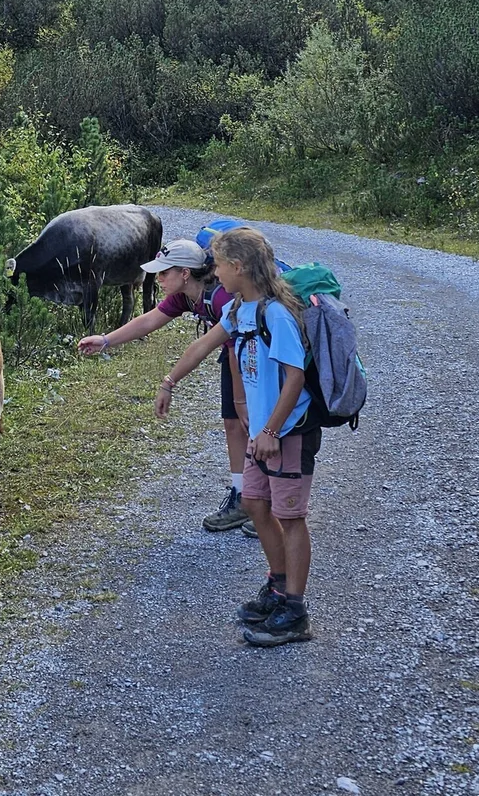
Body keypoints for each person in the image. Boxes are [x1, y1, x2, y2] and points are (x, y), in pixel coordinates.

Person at [155, 225, 316, 646]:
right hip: (262, 433)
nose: (215, 272)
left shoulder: (276, 313)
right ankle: (278, 587)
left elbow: (295, 378)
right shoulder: (239, 310)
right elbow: (203, 346)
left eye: (220, 264)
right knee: (254, 503)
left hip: (287, 431)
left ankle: (295, 611)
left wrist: (269, 429)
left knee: (290, 515)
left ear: (239, 266)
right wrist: (169, 382)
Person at [77, 239, 254, 534]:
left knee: (257, 427)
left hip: (257, 358)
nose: (157, 279)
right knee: (233, 425)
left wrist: (239, 400)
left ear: (185, 273)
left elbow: (218, 346)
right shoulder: (186, 296)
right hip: (235, 354)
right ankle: (243, 498)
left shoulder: (223, 298)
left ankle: (268, 506)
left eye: (163, 273)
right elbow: (149, 321)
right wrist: (106, 340)